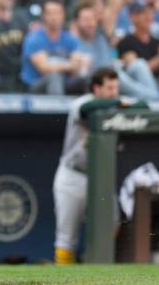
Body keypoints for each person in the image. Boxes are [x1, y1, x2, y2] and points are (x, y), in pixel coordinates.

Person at [53, 67, 148, 264]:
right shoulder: (82, 102)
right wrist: (119, 104)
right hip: (73, 176)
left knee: (112, 223)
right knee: (66, 237)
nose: (114, 92)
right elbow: (87, 110)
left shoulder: (116, 103)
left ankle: (92, 264)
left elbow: (143, 106)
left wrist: (120, 104)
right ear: (96, 88)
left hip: (101, 177)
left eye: (116, 88)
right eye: (109, 88)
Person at [73, 0, 159, 100]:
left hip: (113, 74)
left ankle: (154, 99)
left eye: (92, 19)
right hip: (97, 81)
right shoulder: (71, 40)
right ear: (76, 22)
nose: (90, 23)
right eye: (86, 19)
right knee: (118, 78)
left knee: (137, 66)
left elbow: (113, 10)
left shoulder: (101, 34)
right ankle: (155, 99)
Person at [20, 0, 89, 95]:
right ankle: (59, 110)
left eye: (57, 13)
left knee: (85, 78)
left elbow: (77, 65)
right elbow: (44, 68)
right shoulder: (34, 38)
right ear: (43, 16)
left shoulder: (69, 38)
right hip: (36, 86)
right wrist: (69, 65)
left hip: (64, 83)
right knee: (54, 77)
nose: (54, 17)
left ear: (63, 15)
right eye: (50, 13)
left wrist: (75, 65)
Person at [117, 0, 159, 78]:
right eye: (143, 13)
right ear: (133, 17)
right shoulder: (126, 42)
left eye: (150, 13)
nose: (148, 17)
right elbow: (136, 71)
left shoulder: (156, 42)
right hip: (142, 86)